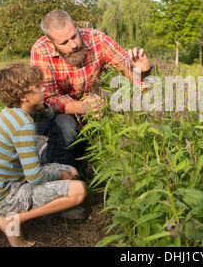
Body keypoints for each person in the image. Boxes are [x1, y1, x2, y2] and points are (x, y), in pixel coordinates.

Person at [0, 62, 87, 247]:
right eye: (38, 87)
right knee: (79, 190)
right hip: (1, 198)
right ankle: (12, 219)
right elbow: (34, 176)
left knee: (73, 171)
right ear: (22, 96)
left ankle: (13, 218)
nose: (44, 89)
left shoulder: (12, 113)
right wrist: (60, 175)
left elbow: (49, 115)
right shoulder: (22, 125)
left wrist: (41, 106)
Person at [31, 10, 152, 169]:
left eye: (73, 36)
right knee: (66, 127)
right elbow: (48, 99)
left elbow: (125, 64)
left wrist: (142, 71)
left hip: (90, 108)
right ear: (51, 42)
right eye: (64, 43)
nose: (73, 45)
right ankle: (51, 162)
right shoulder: (40, 51)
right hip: (53, 113)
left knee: (80, 154)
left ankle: (79, 163)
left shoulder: (98, 39)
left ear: (75, 26)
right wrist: (81, 107)